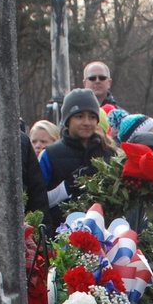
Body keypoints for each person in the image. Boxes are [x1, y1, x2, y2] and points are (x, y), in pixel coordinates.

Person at [39, 88, 119, 233]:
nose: (87, 122)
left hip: (105, 239)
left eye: (92, 117)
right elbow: (38, 202)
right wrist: (67, 186)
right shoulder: (50, 155)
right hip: (61, 239)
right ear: (67, 120)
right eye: (79, 116)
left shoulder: (110, 154)